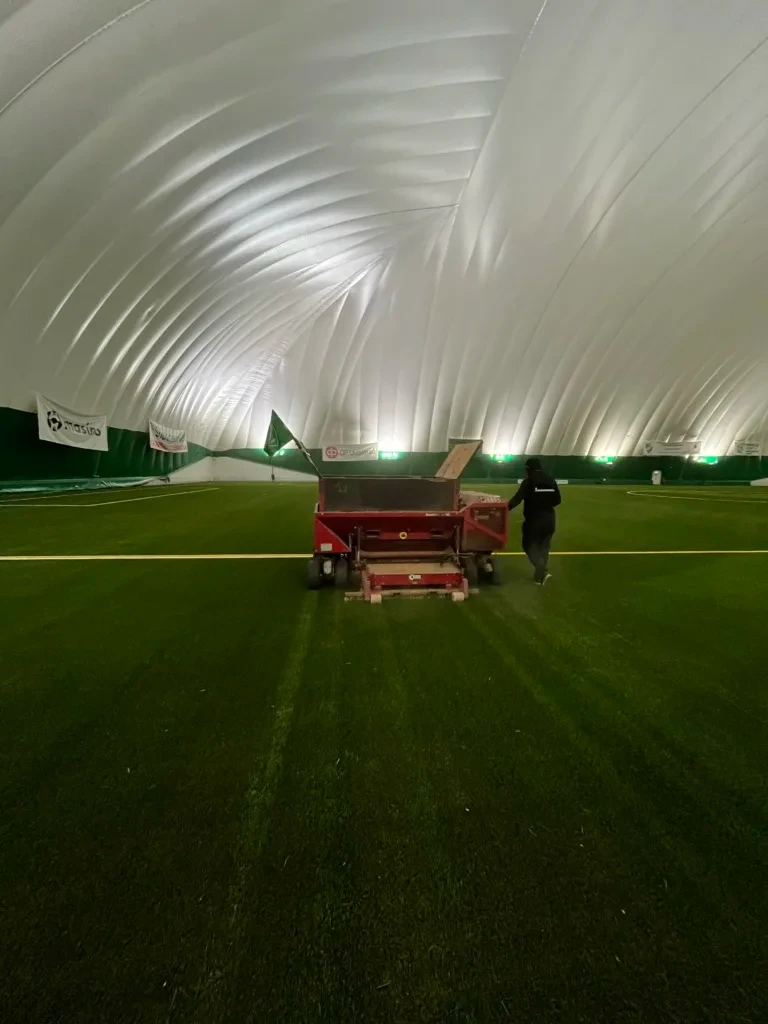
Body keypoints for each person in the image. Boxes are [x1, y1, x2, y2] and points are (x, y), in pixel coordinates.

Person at [507, 458, 561, 585]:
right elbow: (557, 500)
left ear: (527, 468)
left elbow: (517, 499)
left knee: (528, 544)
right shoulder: (551, 480)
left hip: (534, 519)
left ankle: (542, 570)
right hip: (550, 519)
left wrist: (504, 510)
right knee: (544, 547)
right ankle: (539, 578)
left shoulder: (529, 481)